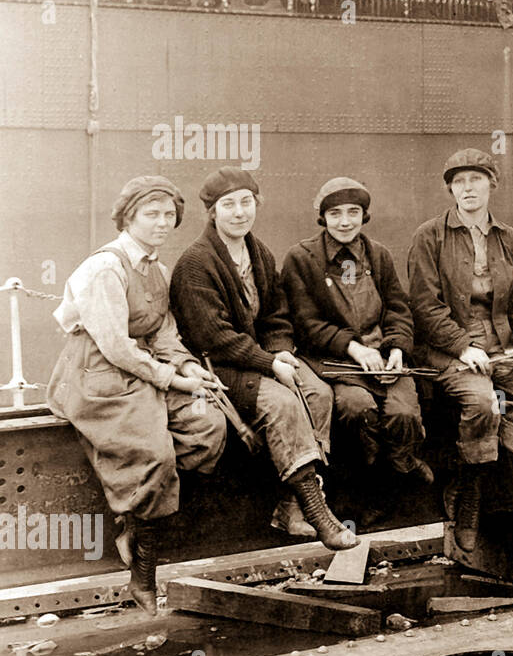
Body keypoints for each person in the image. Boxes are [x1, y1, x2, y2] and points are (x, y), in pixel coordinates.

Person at [46, 177, 227, 614]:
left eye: (170, 215)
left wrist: (189, 369)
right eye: (152, 214)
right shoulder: (105, 268)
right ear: (129, 218)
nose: (163, 223)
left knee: (208, 425)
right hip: (97, 376)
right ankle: (143, 569)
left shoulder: (157, 269)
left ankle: (137, 520)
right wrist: (173, 379)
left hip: (146, 370)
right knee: (154, 452)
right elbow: (115, 346)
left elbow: (164, 333)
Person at [171, 168, 358, 552]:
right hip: (218, 367)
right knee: (283, 402)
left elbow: (275, 314)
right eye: (228, 205)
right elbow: (215, 337)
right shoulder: (195, 263)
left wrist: (282, 352)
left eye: (246, 202)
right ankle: (316, 509)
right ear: (212, 212)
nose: (239, 212)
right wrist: (270, 365)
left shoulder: (258, 252)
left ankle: (289, 507)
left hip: (258, 358)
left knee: (318, 393)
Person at [407, 149, 513, 553]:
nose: (468, 188)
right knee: (484, 402)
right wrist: (461, 347)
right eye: (459, 181)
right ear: (451, 189)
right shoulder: (429, 235)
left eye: (476, 179)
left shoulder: (508, 239)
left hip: (504, 345)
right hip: (448, 348)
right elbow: (424, 306)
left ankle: (481, 467)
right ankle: (471, 495)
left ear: (492, 184)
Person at [280, 177, 433, 525]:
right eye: (335, 213)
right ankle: (367, 489)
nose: (345, 221)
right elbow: (306, 323)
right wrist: (353, 348)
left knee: (404, 415)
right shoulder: (302, 258)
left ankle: (402, 468)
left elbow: (398, 307)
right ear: (322, 217)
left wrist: (396, 349)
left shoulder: (378, 255)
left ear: (364, 216)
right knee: (356, 409)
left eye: (353, 212)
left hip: (385, 357)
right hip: (336, 361)